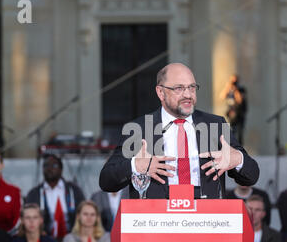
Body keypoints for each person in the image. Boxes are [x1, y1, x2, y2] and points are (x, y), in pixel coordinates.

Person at [99, 63, 259, 199]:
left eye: (192, 87)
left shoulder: (215, 125)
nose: (188, 95)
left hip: (205, 223)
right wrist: (135, 165)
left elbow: (251, 176)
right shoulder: (140, 129)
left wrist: (238, 159)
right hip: (157, 224)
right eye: (179, 88)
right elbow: (106, 181)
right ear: (160, 92)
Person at [25, 154, 85, 240]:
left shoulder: (74, 190)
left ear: (61, 169)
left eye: (54, 165)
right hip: (43, 239)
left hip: (73, 238)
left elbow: (84, 212)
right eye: (46, 165)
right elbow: (28, 216)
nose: (49, 168)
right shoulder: (34, 193)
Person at [219, 75, 248, 144]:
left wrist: (236, 90)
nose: (233, 83)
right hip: (231, 113)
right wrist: (228, 87)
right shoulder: (229, 89)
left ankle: (240, 149)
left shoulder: (241, 89)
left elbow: (240, 100)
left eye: (235, 81)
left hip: (240, 113)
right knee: (231, 131)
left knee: (240, 132)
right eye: (232, 81)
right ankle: (231, 147)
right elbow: (222, 96)